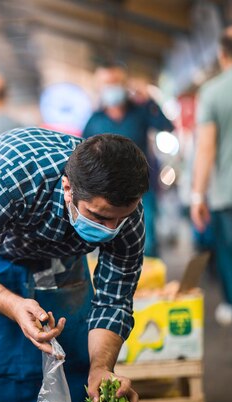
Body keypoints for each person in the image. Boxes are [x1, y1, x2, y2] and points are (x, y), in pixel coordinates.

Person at [0, 127, 146, 402]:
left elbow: (114, 300)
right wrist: (13, 304)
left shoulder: (126, 213)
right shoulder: (13, 174)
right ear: (68, 188)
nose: (111, 231)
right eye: (99, 218)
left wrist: (101, 368)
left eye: (119, 220)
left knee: (70, 351)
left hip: (58, 245)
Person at [82, 63, 173, 257]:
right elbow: (83, 154)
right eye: (107, 83)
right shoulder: (94, 120)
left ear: (124, 84)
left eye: (116, 82)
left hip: (142, 189)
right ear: (99, 87)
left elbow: (167, 126)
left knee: (148, 241)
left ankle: (150, 284)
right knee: (112, 243)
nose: (111, 87)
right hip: (107, 191)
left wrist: (150, 100)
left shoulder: (141, 112)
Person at [191, 25, 232, 327]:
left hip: (226, 195)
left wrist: (197, 195)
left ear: (221, 54)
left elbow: (206, 149)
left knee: (230, 255)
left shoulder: (213, 92)